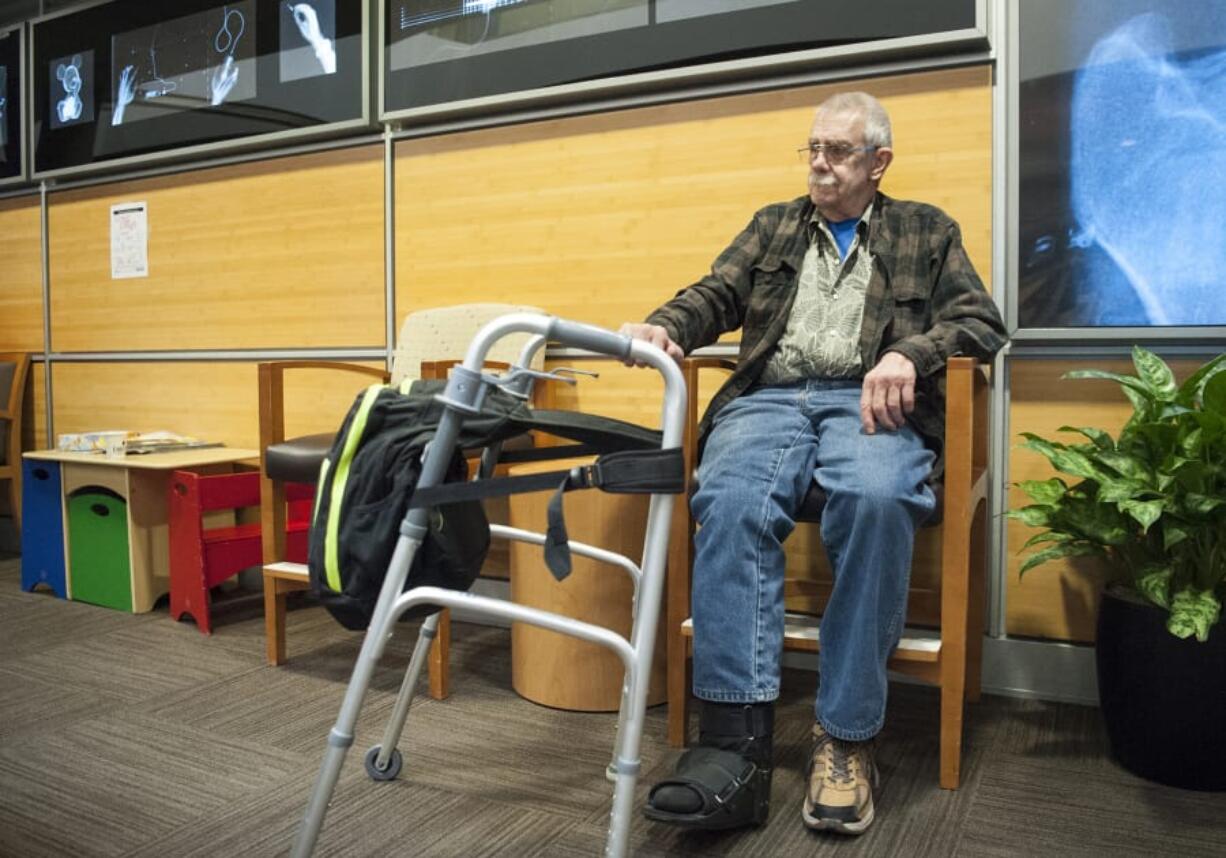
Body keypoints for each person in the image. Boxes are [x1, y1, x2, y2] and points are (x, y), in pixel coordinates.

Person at [620, 91, 1007, 836]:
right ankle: (734, 748)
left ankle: (847, 738)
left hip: (868, 407)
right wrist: (666, 325)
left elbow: (980, 323)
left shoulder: (925, 229)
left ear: (878, 162)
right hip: (768, 401)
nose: (820, 165)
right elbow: (716, 294)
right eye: (813, 150)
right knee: (728, 500)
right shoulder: (774, 225)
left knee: (879, 497)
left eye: (837, 151)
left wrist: (909, 352)